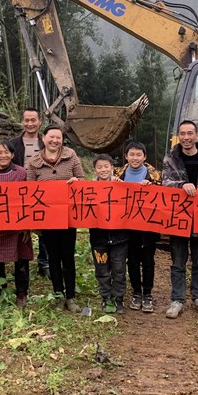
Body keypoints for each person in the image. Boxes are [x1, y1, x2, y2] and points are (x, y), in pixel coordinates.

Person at [162, 120, 198, 319]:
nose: (186, 137)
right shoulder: (171, 158)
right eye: (182, 134)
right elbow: (165, 182)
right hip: (178, 217)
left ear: (196, 135)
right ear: (179, 136)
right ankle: (177, 299)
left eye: (190, 133)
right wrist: (182, 186)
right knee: (178, 262)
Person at [25, 125, 85, 312]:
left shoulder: (71, 156)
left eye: (58, 137)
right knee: (53, 258)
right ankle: (58, 294)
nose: (55, 141)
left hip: (68, 217)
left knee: (68, 257)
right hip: (47, 219)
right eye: (51, 137)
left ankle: (71, 296)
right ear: (43, 138)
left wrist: (77, 182)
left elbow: (83, 180)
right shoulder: (33, 162)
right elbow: (29, 190)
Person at [0, 141, 33, 307]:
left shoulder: (21, 173)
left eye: (6, 152)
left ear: (13, 154)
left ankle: (21, 292)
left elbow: (28, 199)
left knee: (21, 259)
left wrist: (27, 226)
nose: (3, 156)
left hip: (18, 224)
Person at [116, 141, 161, 313]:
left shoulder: (155, 176)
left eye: (139, 155)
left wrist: (152, 187)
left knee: (148, 262)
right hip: (126, 227)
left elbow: (163, 196)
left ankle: (147, 294)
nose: (135, 158)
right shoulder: (118, 174)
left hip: (148, 228)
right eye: (132, 155)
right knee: (132, 261)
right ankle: (136, 292)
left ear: (145, 157)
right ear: (126, 156)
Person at [8, 108, 49, 278]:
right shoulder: (13, 144)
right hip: (18, 190)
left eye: (33, 120)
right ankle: (19, 261)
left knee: (44, 226)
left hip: (42, 190)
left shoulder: (46, 142)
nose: (30, 124)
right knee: (19, 226)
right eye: (27, 120)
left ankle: (44, 263)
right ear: (22, 121)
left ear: (40, 122)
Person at [89, 154, 128, 314]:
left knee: (119, 269)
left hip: (120, 238)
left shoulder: (121, 185)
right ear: (95, 170)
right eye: (99, 167)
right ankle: (106, 297)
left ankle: (118, 298)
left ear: (112, 168)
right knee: (102, 270)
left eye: (106, 166)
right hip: (98, 238)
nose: (103, 170)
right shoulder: (88, 188)